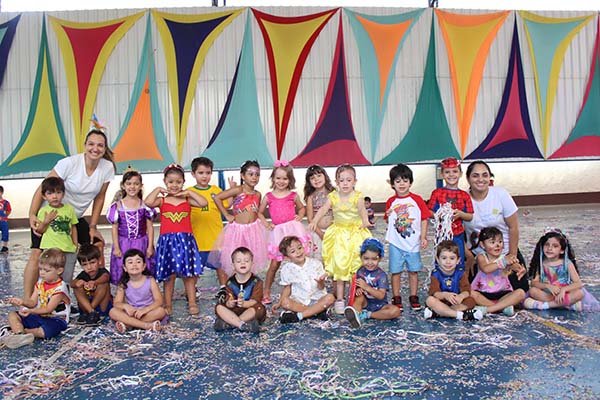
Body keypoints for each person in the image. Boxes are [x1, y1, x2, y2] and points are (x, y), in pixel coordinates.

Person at [25, 127, 115, 298]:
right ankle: (29, 298)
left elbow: (100, 198)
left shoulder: (107, 167)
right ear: (84, 145)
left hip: (74, 217)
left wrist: (93, 226)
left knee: (97, 244)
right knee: (37, 253)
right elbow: (43, 187)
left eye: (100, 145)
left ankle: (96, 293)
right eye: (91, 144)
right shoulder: (69, 163)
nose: (95, 148)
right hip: (51, 215)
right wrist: (32, 214)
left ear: (104, 149)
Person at [308, 164, 371, 315]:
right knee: (340, 267)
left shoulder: (358, 197)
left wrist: (365, 221)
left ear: (354, 181)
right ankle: (340, 300)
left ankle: (354, 298)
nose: (345, 183)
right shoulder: (333, 197)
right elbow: (323, 209)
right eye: (341, 180)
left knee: (355, 265)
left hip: (354, 233)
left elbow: (362, 210)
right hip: (339, 234)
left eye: (348, 180)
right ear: (336, 182)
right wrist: (314, 221)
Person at [145, 163, 207, 316]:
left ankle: (192, 302)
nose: (174, 185)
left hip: (185, 241)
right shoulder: (162, 201)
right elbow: (147, 202)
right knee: (169, 275)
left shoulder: (186, 200)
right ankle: (168, 305)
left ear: (183, 183)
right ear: (165, 182)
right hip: (168, 243)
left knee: (189, 275)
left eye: (178, 182)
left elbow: (204, 202)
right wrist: (158, 190)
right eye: (171, 182)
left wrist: (189, 193)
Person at [260, 161, 311, 304]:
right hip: (278, 232)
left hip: (293, 230)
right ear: (273, 179)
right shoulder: (268, 196)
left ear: (290, 180)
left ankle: (304, 289)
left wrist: (300, 216)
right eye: (278, 178)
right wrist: (266, 223)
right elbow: (259, 212)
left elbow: (302, 208)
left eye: (285, 178)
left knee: (299, 259)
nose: (281, 181)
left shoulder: (293, 195)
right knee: (275, 264)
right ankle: (266, 291)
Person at [463, 161, 521, 281]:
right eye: (475, 175)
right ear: (468, 179)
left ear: (490, 177)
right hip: (478, 256)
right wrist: (469, 256)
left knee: (520, 289)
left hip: (504, 252)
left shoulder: (500, 194)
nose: (481, 179)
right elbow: (456, 232)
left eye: (485, 175)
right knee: (471, 292)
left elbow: (513, 227)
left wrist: (512, 255)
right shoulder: (462, 199)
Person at [3, 248, 71, 348]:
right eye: (40, 269)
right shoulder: (40, 283)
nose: (42, 273)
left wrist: (30, 311)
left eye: (47, 270)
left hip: (56, 319)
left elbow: (48, 309)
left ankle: (22, 332)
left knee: (47, 331)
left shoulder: (60, 288)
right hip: (39, 316)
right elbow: (32, 302)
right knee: (12, 315)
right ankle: (20, 334)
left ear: (59, 271)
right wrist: (22, 302)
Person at [384, 164, 430, 312]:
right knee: (395, 271)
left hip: (413, 243)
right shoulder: (391, 201)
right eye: (397, 181)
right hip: (396, 243)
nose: (402, 184)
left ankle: (413, 296)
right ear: (392, 184)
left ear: (410, 182)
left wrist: (423, 237)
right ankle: (396, 297)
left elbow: (424, 218)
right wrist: (388, 213)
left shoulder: (417, 200)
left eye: (405, 180)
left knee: (413, 271)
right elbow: (387, 219)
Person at [210, 160, 268, 277]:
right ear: (242, 176)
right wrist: (226, 214)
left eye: (257, 174)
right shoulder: (238, 190)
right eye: (250, 174)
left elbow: (257, 211)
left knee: (252, 256)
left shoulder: (258, 194)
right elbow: (217, 198)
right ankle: (234, 283)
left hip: (254, 230)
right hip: (238, 231)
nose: (254, 177)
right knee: (237, 256)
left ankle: (250, 281)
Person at [525, 228, 599, 311]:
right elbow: (534, 283)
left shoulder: (567, 263)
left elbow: (578, 283)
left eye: (555, 246)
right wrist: (548, 286)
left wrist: (563, 290)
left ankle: (546, 305)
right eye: (547, 245)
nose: (549, 248)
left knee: (579, 293)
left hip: (565, 293)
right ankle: (566, 305)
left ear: (562, 250)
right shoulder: (541, 263)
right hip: (548, 293)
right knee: (532, 291)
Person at [187, 157, 231, 295]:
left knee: (221, 266)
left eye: (207, 172)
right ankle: (191, 290)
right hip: (196, 239)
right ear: (193, 174)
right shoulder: (188, 192)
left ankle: (223, 288)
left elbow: (227, 204)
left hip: (215, 238)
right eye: (201, 173)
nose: (204, 176)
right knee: (195, 269)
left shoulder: (216, 190)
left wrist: (231, 190)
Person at [107, 168, 156, 285]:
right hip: (123, 243)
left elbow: (150, 227)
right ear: (123, 186)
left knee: (141, 268)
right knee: (124, 269)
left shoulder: (145, 206)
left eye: (136, 184)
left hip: (141, 242)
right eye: (129, 184)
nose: (132, 187)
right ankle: (123, 296)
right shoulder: (117, 206)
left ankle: (143, 294)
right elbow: (114, 228)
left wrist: (150, 247)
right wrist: (117, 247)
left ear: (140, 186)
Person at [275, 236, 335, 323]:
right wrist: (279, 303)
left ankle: (300, 316)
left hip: (318, 299)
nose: (298, 252)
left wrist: (321, 282)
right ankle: (316, 312)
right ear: (287, 257)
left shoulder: (316, 263)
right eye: (293, 251)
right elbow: (287, 288)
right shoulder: (286, 269)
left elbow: (321, 288)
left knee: (330, 298)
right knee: (285, 302)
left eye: (299, 248)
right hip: (300, 302)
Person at [344, 238, 401, 328]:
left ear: (380, 259)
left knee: (395, 311)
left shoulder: (381, 275)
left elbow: (381, 296)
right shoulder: (360, 271)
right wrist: (358, 290)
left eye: (374, 259)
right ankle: (356, 314)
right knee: (358, 298)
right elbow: (355, 288)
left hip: (380, 306)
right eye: (366, 258)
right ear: (361, 257)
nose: (370, 262)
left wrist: (366, 287)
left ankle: (367, 315)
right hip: (365, 302)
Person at [470, 227, 527, 316]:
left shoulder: (505, 258)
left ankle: (489, 309)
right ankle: (502, 308)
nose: (497, 245)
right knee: (470, 294)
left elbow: (515, 266)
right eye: (492, 242)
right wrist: (503, 262)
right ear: (482, 245)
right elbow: (486, 269)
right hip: (483, 293)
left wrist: (520, 270)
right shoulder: (481, 257)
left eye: (500, 242)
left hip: (502, 294)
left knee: (521, 293)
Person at [428, 158, 473, 269]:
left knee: (458, 261)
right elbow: (429, 212)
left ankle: (458, 283)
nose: (451, 175)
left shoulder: (464, 195)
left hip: (458, 235)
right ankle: (439, 283)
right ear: (442, 174)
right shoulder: (437, 193)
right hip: (441, 236)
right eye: (447, 172)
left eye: (455, 171)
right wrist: (439, 215)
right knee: (440, 262)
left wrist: (461, 214)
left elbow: (470, 216)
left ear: (460, 173)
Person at [423, 240, 483, 321]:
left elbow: (466, 290)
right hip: (442, 301)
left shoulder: (461, 273)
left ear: (458, 260)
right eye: (444, 258)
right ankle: (460, 315)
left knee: (471, 300)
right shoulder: (436, 274)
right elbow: (435, 293)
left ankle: (439, 312)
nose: (448, 262)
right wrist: (445, 295)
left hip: (457, 302)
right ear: (437, 259)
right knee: (430, 300)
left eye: (452, 258)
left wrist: (460, 297)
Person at [109, 249, 166, 333]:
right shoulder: (123, 283)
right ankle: (146, 325)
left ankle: (129, 324)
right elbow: (117, 303)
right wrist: (125, 306)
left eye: (138, 262)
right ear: (124, 268)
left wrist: (145, 310)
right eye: (130, 262)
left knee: (161, 311)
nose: (134, 265)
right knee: (112, 312)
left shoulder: (150, 280)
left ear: (143, 266)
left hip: (147, 312)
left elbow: (159, 301)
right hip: (131, 313)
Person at [36, 177, 78, 284]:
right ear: (44, 196)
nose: (55, 196)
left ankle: (64, 299)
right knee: (48, 277)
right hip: (49, 249)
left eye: (58, 192)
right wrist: (46, 221)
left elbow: (73, 227)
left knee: (66, 278)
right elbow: (40, 231)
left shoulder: (69, 209)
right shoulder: (43, 211)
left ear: (63, 194)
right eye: (50, 193)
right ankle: (47, 299)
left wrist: (75, 244)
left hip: (68, 248)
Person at [214, 247, 266, 333]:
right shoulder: (230, 282)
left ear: (252, 263)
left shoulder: (256, 281)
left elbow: (255, 300)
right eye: (238, 261)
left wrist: (244, 304)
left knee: (260, 308)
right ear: (233, 265)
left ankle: (231, 323)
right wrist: (229, 303)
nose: (243, 263)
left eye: (246, 261)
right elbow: (228, 298)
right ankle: (242, 325)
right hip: (234, 311)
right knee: (219, 307)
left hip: (249, 310)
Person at [71, 244, 111, 326]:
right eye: (85, 264)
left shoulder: (102, 271)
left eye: (92, 263)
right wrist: (78, 283)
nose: (89, 267)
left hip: (102, 307)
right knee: (76, 287)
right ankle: (91, 312)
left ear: (99, 261)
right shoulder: (83, 275)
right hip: (86, 309)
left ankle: (91, 311)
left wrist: (94, 282)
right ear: (81, 265)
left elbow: (106, 277)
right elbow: (72, 283)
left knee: (103, 284)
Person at [304, 164, 335, 260]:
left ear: (325, 176)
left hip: (333, 231)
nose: (316, 179)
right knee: (319, 257)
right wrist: (320, 233)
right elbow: (310, 218)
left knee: (333, 255)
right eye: (312, 178)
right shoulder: (311, 196)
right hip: (317, 233)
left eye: (319, 176)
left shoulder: (333, 193)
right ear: (309, 182)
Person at [0, 185, 11, 252]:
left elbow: (8, 210)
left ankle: (5, 246)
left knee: (5, 232)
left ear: (2, 192)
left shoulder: (6, 202)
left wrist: (5, 216)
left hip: (3, 220)